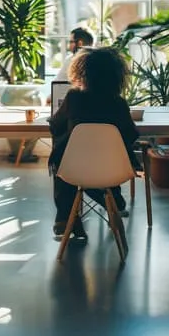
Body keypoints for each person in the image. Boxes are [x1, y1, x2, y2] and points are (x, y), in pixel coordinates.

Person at [48, 48, 139, 239]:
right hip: (113, 169)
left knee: (63, 162)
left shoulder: (74, 98)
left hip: (75, 168)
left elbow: (56, 125)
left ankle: (65, 218)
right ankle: (113, 199)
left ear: (84, 73)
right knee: (94, 174)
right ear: (116, 76)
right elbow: (131, 135)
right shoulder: (118, 103)